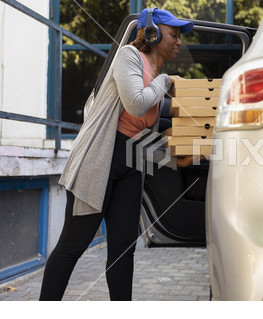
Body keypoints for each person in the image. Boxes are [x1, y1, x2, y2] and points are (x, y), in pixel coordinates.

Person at [39, 8, 194, 301]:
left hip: (131, 161)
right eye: (174, 34)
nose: (179, 42)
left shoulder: (155, 71)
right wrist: (165, 83)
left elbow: (146, 120)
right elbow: (136, 104)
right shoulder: (129, 56)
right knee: (73, 244)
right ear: (153, 33)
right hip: (101, 159)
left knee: (124, 249)